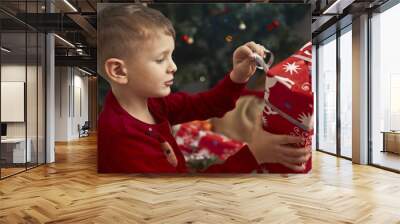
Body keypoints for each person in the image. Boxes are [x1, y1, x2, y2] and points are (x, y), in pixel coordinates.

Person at [97, 4, 311, 173]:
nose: (174, 67)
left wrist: (237, 76)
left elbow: (207, 104)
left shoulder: (153, 103)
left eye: (171, 56)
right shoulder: (122, 140)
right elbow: (184, 198)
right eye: (161, 59)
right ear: (119, 71)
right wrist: (254, 154)